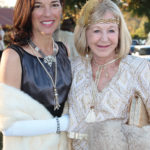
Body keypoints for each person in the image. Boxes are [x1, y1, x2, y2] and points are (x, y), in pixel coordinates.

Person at [67, 0, 150, 150]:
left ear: (119, 33)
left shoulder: (138, 68)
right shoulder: (72, 68)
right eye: (96, 30)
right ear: (84, 32)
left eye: (111, 30)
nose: (104, 38)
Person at [0, 0, 72, 150]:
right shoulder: (13, 56)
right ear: (27, 12)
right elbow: (8, 126)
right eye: (38, 6)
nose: (48, 13)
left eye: (54, 5)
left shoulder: (64, 50)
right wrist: (63, 123)